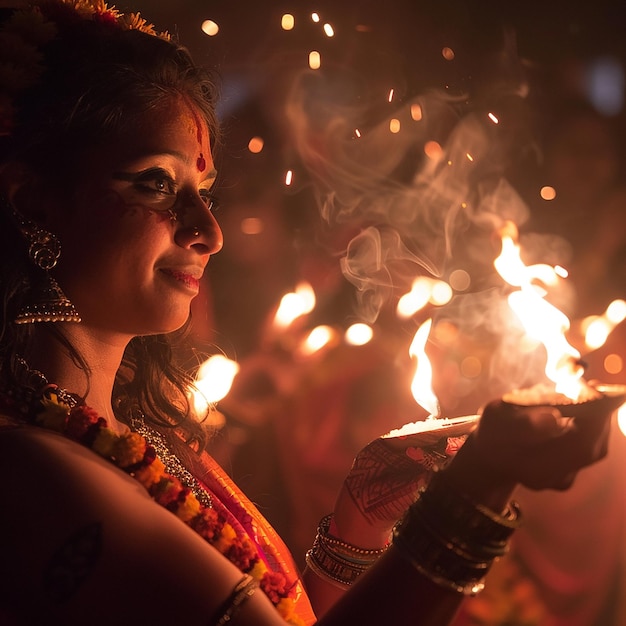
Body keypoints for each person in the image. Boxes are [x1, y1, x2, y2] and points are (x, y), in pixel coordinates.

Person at [0, 2, 618, 625]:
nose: (208, 231)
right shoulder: (35, 470)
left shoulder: (133, 433)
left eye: (202, 192)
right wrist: (479, 484)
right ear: (36, 202)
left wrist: (361, 517)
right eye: (155, 184)